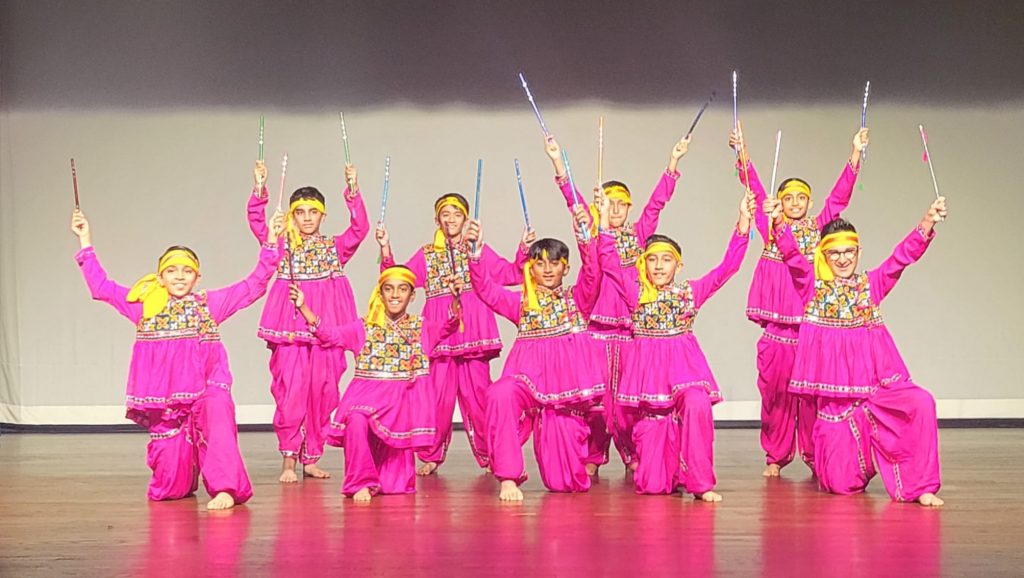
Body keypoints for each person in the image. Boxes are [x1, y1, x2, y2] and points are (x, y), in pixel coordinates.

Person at [72, 207, 284, 509]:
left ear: (197, 278)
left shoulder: (209, 304)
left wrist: (272, 241)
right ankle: (185, 470)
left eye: (187, 271)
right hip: (166, 400)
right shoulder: (143, 305)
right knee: (170, 489)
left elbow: (254, 284)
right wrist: (85, 241)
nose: (180, 276)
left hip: (208, 387)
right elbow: (102, 288)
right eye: (172, 271)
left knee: (217, 415)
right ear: (161, 276)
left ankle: (226, 488)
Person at [767, 194, 947, 506]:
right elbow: (793, 256)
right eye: (834, 253)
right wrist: (779, 222)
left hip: (876, 392)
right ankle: (865, 453)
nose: (842, 259)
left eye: (848, 251)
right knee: (841, 486)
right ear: (823, 255)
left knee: (921, 402)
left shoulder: (870, 285)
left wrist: (928, 221)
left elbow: (900, 258)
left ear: (858, 252)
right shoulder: (812, 287)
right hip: (839, 407)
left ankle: (920, 486)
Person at [598, 189, 755, 500]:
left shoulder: (690, 293)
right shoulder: (634, 293)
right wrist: (602, 220)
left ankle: (701, 483)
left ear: (678, 266)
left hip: (685, 373)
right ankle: (670, 469)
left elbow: (727, 268)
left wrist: (743, 222)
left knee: (696, 404)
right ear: (643, 264)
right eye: (652, 260)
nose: (658, 266)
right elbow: (608, 261)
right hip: (650, 381)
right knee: (653, 486)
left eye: (666, 260)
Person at [731, 125, 869, 477]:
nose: (794, 203)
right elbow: (754, 186)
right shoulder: (770, 226)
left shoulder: (820, 228)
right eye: (788, 198)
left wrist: (855, 154)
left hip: (809, 332)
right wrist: (742, 152)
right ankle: (775, 456)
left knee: (810, 398)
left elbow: (839, 197)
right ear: (779, 202)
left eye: (801, 198)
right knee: (774, 396)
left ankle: (812, 454)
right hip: (777, 334)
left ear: (809, 202)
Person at [291, 266, 461, 502]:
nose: (395, 295)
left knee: (394, 488)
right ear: (380, 294)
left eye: (402, 289)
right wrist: (303, 307)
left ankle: (377, 476)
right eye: (389, 289)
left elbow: (449, 325)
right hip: (366, 398)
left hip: (399, 408)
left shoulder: (422, 328)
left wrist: (456, 299)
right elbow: (330, 335)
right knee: (356, 419)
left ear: (412, 295)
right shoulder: (363, 327)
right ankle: (359, 482)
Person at [248, 160, 370, 482]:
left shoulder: (334, 248)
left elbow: (360, 229)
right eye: (300, 212)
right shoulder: (283, 245)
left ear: (322, 216)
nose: (306, 218)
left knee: (323, 391)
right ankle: (289, 458)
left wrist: (353, 189)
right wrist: (260, 188)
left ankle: (312, 457)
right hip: (290, 328)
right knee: (291, 392)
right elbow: (258, 224)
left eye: (312, 212)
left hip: (326, 330)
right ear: (291, 215)